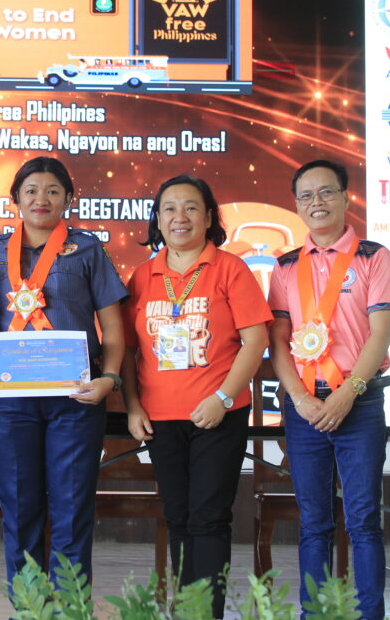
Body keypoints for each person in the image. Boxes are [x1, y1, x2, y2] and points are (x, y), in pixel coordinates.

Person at [120, 174, 270, 619]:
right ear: (157, 219)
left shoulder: (231, 269)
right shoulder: (143, 275)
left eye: (190, 207)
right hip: (160, 417)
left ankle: (206, 614)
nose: (179, 216)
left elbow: (256, 340)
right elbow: (126, 349)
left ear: (208, 217)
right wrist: (132, 406)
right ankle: (187, 611)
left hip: (218, 414)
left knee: (209, 519)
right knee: (179, 517)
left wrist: (222, 398)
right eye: (169, 208)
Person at [0, 156, 127, 590]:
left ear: (68, 198)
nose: (41, 199)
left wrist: (110, 378)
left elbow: (113, 326)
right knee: (20, 508)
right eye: (31, 191)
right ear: (15, 199)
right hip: (10, 398)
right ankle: (28, 609)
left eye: (52, 191)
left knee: (72, 508)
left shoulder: (87, 249)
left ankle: (70, 609)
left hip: (76, 397)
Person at [268, 160, 390, 620]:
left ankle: (369, 615)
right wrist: (300, 398)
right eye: (306, 196)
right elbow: (278, 342)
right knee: (314, 523)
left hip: (359, 404)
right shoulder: (285, 265)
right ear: (297, 205)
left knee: (363, 520)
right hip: (304, 407)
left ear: (346, 198)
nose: (317, 203)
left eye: (326, 192)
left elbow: (380, 334)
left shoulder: (373, 256)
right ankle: (316, 615)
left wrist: (348, 393)